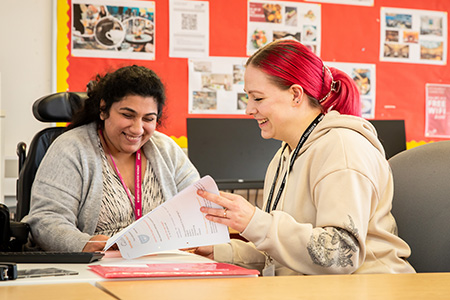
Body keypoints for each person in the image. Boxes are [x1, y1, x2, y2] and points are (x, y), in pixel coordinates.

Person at [194, 39, 415, 275]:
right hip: (317, 287)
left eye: (257, 98)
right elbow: (288, 255)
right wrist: (223, 253)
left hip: (369, 289)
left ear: (296, 95)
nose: (249, 109)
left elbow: (339, 255)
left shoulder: (342, 147)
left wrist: (255, 221)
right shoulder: (284, 155)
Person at [24, 65, 200, 252]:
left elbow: (197, 207)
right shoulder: (71, 148)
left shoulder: (166, 149)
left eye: (148, 119)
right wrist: (86, 244)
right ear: (103, 109)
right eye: (127, 115)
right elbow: (45, 220)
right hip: (98, 264)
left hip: (164, 263)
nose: (137, 129)